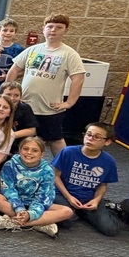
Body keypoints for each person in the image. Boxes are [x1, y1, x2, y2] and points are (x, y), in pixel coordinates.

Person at [6, 13, 86, 157]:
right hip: (24, 106)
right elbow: (14, 70)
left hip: (48, 109)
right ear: (44, 29)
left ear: (65, 30)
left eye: (59, 27)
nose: (53, 30)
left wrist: (69, 102)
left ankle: (62, 169)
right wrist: (7, 95)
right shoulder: (33, 50)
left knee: (55, 139)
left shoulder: (69, 54)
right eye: (50, 27)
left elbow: (78, 79)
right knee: (18, 138)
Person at [0, 137, 73, 238]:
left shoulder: (47, 171)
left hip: (37, 205)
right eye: (25, 149)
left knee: (67, 212)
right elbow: (8, 189)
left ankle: (17, 222)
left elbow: (44, 196)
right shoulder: (9, 165)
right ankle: (39, 223)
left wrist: (31, 213)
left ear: (42, 154)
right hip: (13, 204)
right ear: (19, 151)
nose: (29, 152)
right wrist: (19, 209)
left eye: (35, 150)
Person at [50, 122, 120, 236]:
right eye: (88, 134)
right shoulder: (68, 152)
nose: (90, 139)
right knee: (67, 220)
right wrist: (69, 197)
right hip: (63, 195)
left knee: (110, 229)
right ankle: (77, 212)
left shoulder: (109, 161)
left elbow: (103, 185)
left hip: (88, 198)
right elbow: (55, 176)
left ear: (107, 141)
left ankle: (106, 209)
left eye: (97, 137)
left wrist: (96, 200)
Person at [0, 81, 37, 154]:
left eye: (16, 95)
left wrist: (10, 136)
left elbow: (32, 130)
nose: (12, 98)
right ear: (0, 95)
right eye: (8, 95)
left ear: (20, 96)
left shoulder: (25, 108)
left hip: (19, 144)